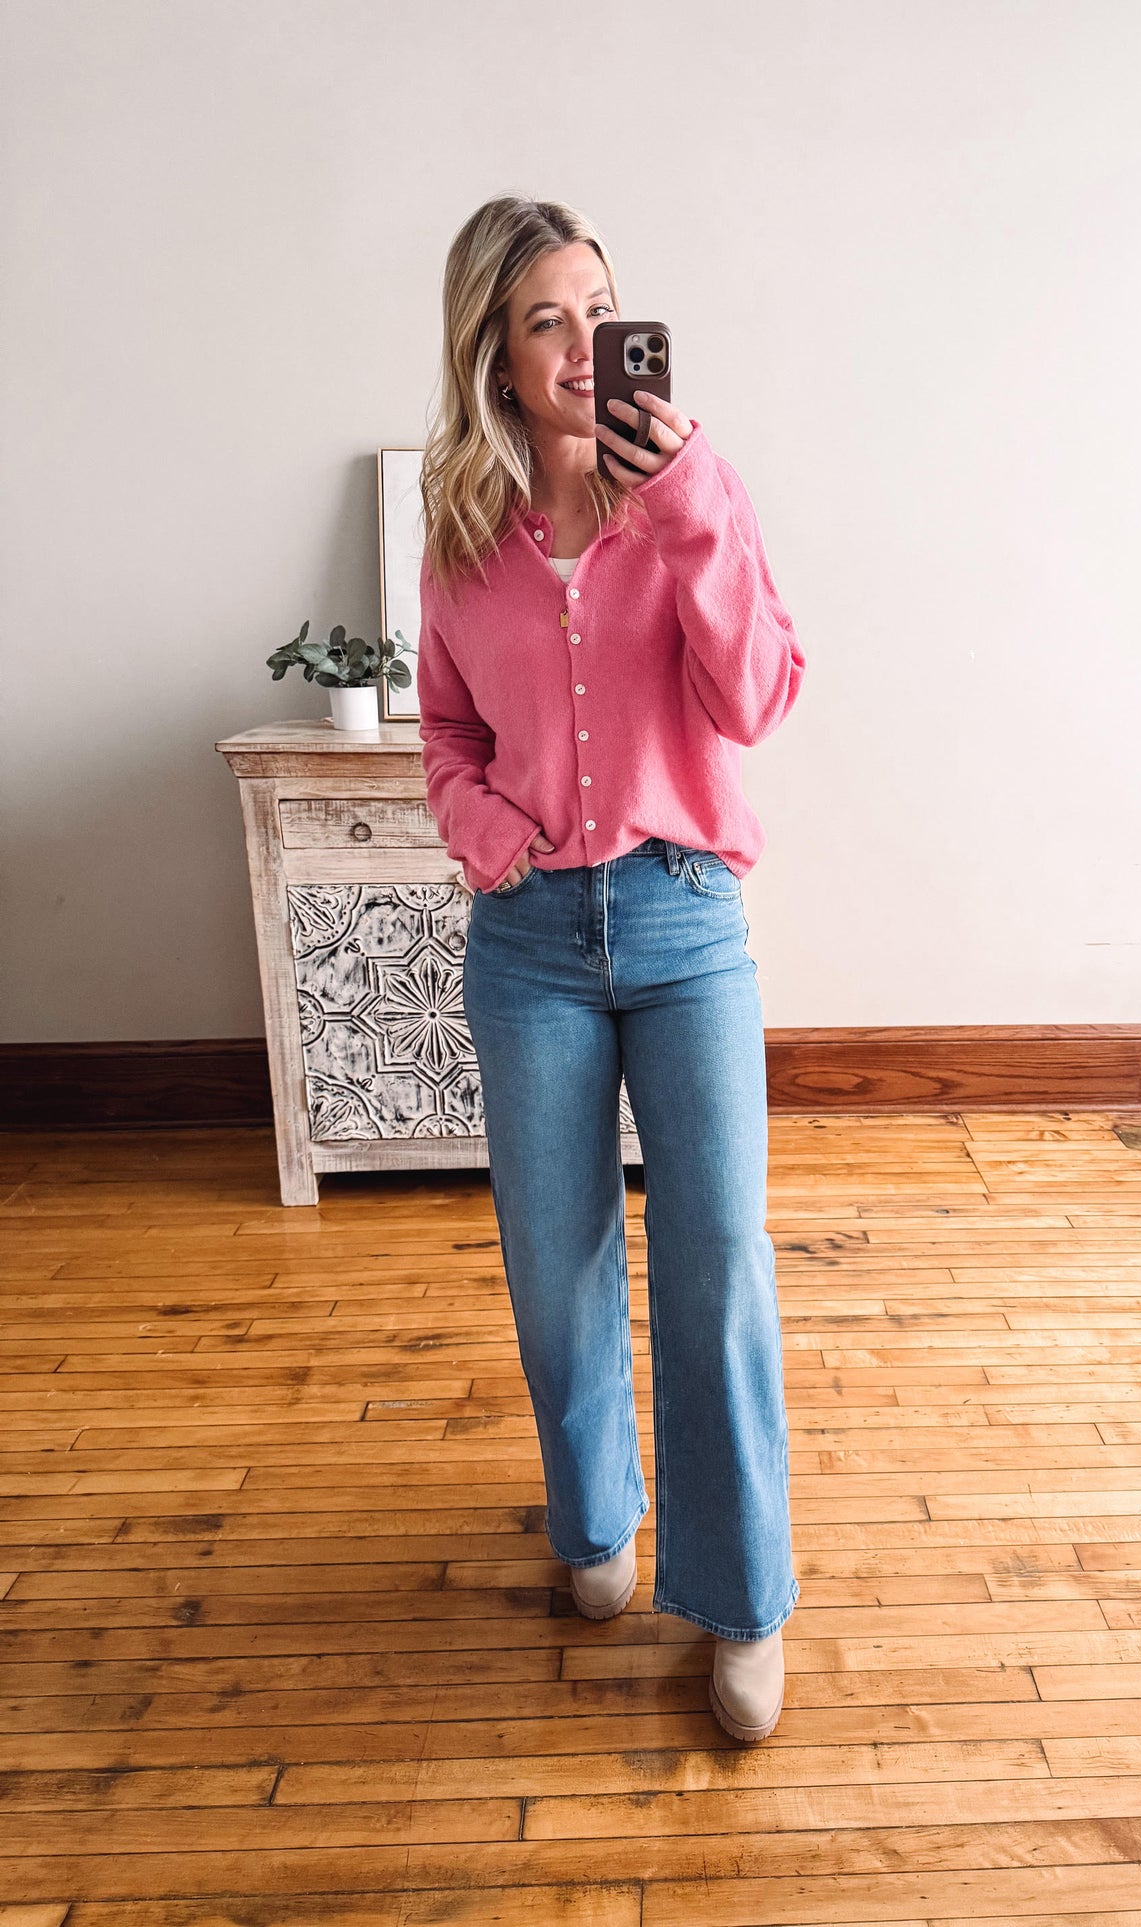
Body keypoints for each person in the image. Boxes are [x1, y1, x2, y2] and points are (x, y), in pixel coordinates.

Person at [415, 195, 807, 1744]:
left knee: (716, 1266)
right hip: (526, 945)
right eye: (546, 322)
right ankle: (594, 1524)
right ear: (494, 359)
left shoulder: (696, 495)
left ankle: (741, 1595)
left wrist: (692, 500)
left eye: (601, 312)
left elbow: (762, 696)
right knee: (553, 1261)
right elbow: (447, 735)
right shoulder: (459, 539)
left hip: (683, 918)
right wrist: (487, 833)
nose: (584, 348)